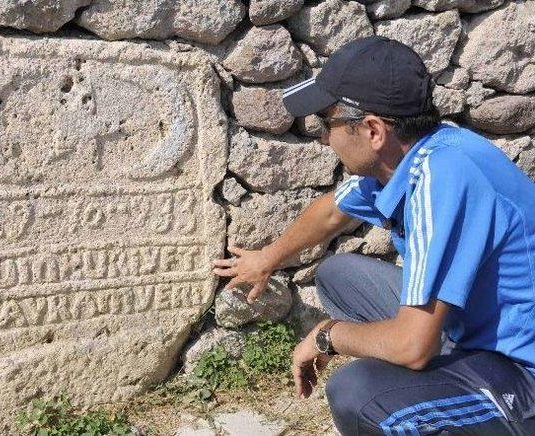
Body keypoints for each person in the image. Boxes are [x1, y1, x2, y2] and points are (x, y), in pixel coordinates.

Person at [212, 36, 535, 435]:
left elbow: (412, 348)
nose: (324, 138)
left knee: (356, 392)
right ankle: (437, 381)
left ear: (373, 130)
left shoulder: (444, 179)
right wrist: (268, 258)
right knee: (339, 275)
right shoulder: (410, 157)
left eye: (326, 123)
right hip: (468, 329)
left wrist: (328, 336)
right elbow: (332, 210)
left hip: (520, 366)